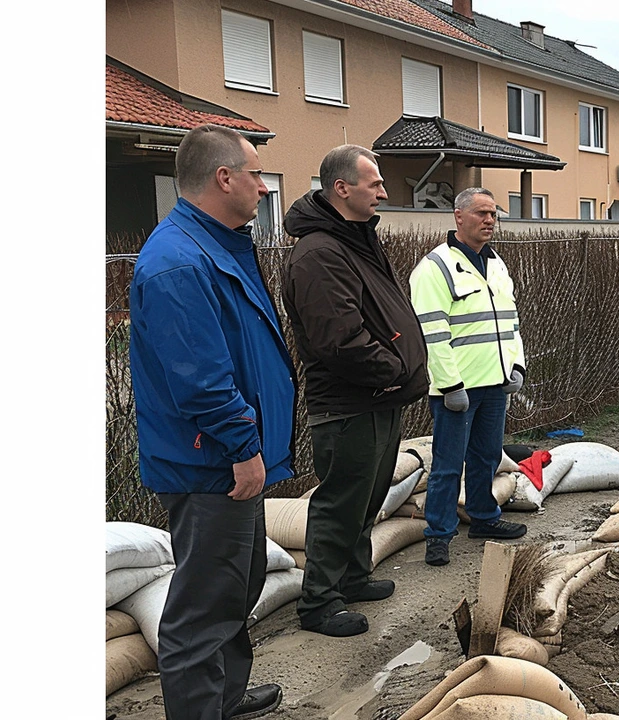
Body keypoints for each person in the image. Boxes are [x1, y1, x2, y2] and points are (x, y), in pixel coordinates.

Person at [129, 123, 294, 719]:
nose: (264, 190)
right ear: (223, 178)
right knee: (201, 608)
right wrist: (243, 448)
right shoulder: (178, 262)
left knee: (238, 584)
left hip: (226, 457)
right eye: (256, 176)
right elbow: (200, 379)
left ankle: (224, 695)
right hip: (211, 464)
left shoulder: (217, 246)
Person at [281, 145, 430, 637]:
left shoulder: (355, 240)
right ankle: (319, 601)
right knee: (341, 500)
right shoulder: (320, 252)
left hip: (379, 396)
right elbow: (338, 339)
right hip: (350, 402)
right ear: (341, 188)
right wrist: (390, 369)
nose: (385, 193)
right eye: (375, 184)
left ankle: (352, 575)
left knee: (367, 497)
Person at [409, 187, 528, 566]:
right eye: (481, 213)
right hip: (458, 389)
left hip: (494, 384)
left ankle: (483, 517)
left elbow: (510, 322)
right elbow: (433, 332)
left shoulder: (497, 265)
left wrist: (516, 365)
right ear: (459, 217)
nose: (489, 220)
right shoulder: (435, 268)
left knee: (487, 456)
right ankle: (439, 534)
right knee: (447, 463)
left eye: (493, 214)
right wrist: (449, 385)